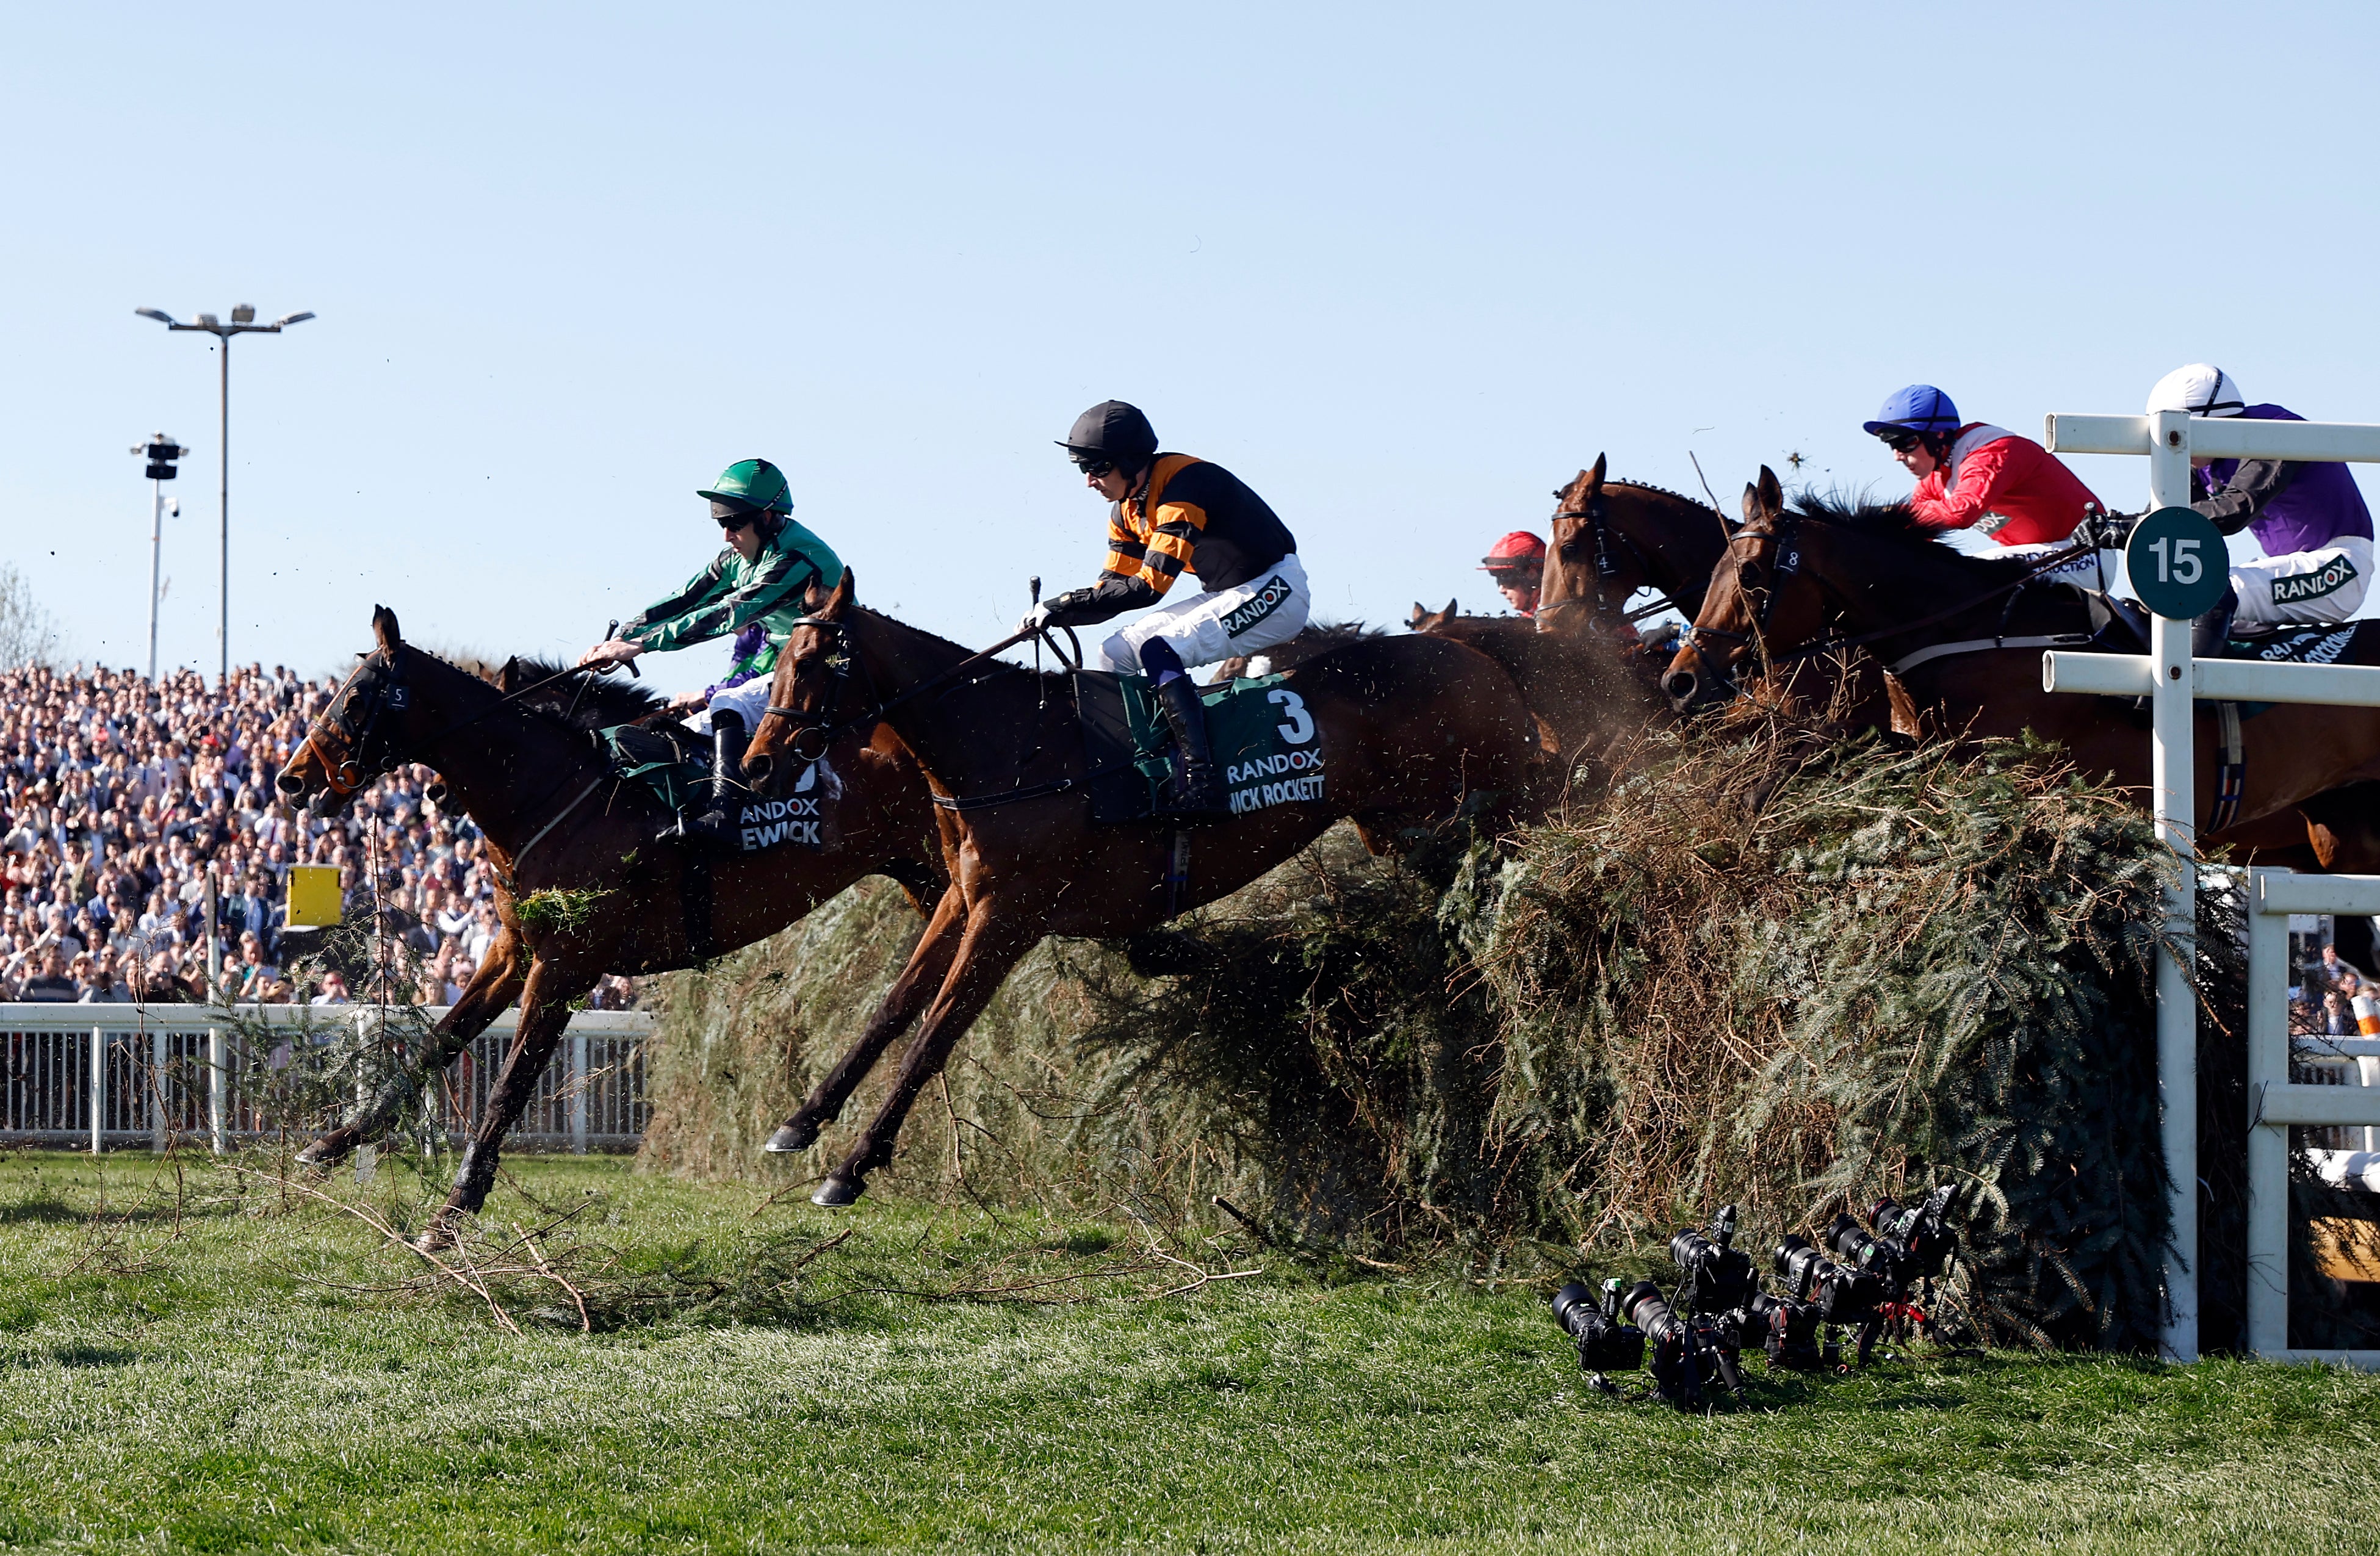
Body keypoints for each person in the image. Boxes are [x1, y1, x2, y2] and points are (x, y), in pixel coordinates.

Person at [1021, 401, 1308, 818]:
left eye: (1098, 469)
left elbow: (1149, 589)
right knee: (1113, 653)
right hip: (1227, 593)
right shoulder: (1124, 511)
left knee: (1158, 649)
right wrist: (1053, 615)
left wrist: (1062, 604)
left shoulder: (1186, 485)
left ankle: (1201, 781)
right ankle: (1127, 769)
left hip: (1277, 589)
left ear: (1130, 461)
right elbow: (1114, 590)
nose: (1089, 482)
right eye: (1082, 469)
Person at [579, 459, 845, 844]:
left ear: (768, 518)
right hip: (794, 666)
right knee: (690, 732)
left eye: (734, 523)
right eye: (721, 523)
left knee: (728, 705)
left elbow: (731, 611)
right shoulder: (740, 556)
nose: (726, 535)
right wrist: (621, 639)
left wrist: (643, 645)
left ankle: (726, 817)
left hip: (835, 664)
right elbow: (686, 598)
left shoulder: (794, 560)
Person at [2144, 364, 2375, 655]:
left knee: (2205, 593)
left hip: (2338, 567)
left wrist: (2134, 526)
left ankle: (2184, 696)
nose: (2178, 450)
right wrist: (2114, 525)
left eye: (2180, 438)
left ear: (2215, 422)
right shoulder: (2202, 458)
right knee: (2168, 594)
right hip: (2292, 565)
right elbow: (2163, 517)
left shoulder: (2273, 429)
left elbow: (2233, 510)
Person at [1864, 384, 2108, 580]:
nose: (1898, 456)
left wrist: (1892, 513)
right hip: (2044, 556)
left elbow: (1961, 514)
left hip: (2085, 551)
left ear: (1938, 435)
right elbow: (1914, 535)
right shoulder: (1936, 480)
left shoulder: (1994, 453)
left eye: (1905, 443)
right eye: (1891, 446)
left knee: (1967, 576)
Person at [1480, 532, 1546, 617]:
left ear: (1532, 575)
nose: (1501, 590)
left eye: (1505, 578)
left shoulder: (1563, 615)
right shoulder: (1531, 617)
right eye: (1499, 580)